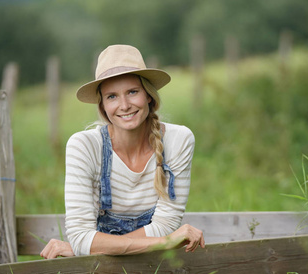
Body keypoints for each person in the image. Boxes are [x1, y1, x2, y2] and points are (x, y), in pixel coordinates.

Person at [40, 44, 205, 259]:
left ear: (148, 95)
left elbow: (166, 225)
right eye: (112, 96)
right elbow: (80, 237)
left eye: (132, 92)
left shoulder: (178, 140)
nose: (124, 105)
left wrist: (90, 248)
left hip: (161, 269)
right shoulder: (84, 146)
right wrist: (165, 242)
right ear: (103, 106)